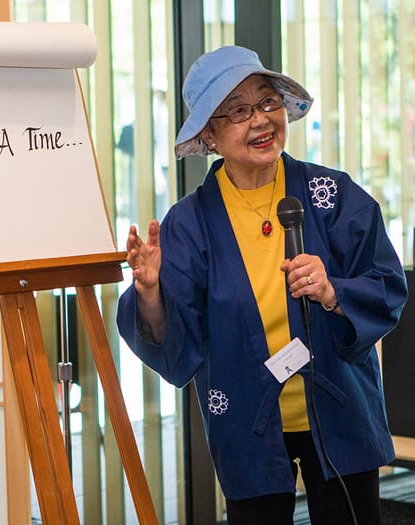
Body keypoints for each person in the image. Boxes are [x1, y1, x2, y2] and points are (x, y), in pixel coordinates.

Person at [117, 45, 407, 525]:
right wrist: (149, 294)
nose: (260, 120)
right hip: (245, 416)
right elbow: (174, 336)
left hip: (338, 408)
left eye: (268, 101)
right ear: (209, 134)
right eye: (238, 110)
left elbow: (386, 282)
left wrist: (334, 292)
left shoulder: (329, 195)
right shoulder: (189, 224)